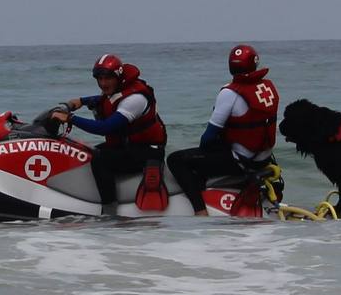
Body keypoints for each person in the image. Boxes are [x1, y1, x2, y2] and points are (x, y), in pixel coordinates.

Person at [167, 44, 279, 215]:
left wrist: (205, 153)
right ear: (254, 64)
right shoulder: (268, 87)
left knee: (176, 160)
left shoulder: (230, 93)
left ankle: (200, 210)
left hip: (241, 161)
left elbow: (208, 137)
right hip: (264, 159)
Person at [51, 54, 167, 212]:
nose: (103, 83)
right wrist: (79, 101)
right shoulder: (119, 89)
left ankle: (109, 208)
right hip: (130, 144)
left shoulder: (135, 99)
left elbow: (105, 128)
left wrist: (71, 118)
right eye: (100, 79)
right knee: (87, 152)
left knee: (100, 159)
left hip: (148, 152)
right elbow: (104, 99)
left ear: (118, 77)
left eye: (108, 78)